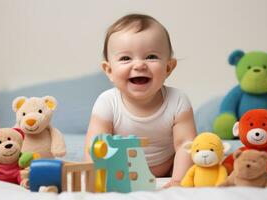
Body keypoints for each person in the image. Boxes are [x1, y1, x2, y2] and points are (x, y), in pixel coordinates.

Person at [84, 13, 197, 187]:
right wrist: (99, 180)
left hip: (168, 168)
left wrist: (178, 180)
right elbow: (95, 147)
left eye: (151, 56)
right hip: (120, 172)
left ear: (168, 67)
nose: (139, 65)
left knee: (202, 158)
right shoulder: (107, 102)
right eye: (125, 58)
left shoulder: (178, 101)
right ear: (109, 71)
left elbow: (185, 144)